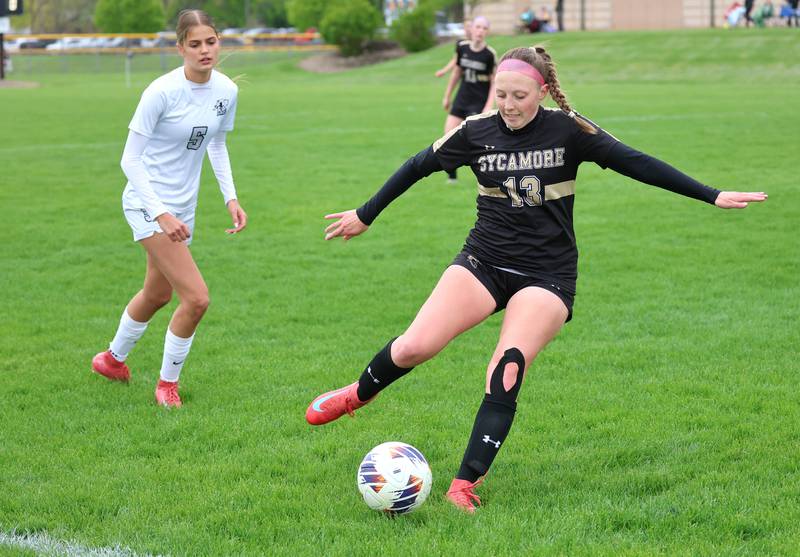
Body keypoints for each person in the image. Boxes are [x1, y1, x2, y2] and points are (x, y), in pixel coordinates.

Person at [305, 45, 767, 512]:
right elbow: (416, 166)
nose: (508, 104)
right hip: (483, 261)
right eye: (501, 94)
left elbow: (638, 162)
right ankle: (356, 395)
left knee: (506, 367)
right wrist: (366, 214)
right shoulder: (476, 131)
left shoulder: (570, 129)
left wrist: (712, 195)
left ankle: (463, 485)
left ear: (542, 91)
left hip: (547, 275)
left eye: (519, 95)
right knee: (413, 347)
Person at [91, 9, 246, 408]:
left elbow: (216, 144)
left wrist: (230, 196)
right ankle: (167, 385)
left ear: (219, 42)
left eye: (210, 41)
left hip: (182, 208)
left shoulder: (226, 91)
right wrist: (159, 212)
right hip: (147, 204)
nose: (204, 50)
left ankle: (111, 360)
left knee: (156, 294)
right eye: (194, 44)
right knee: (196, 298)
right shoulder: (160, 92)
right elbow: (130, 160)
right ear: (180, 48)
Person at [441, 15, 496, 183]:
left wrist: (488, 105)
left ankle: (487, 174)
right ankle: (452, 176)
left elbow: (494, 82)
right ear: (471, 29)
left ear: (487, 32)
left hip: (478, 100)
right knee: (448, 134)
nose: (480, 31)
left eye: (484, 28)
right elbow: (456, 73)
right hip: (462, 98)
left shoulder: (489, 54)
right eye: (477, 27)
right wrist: (447, 96)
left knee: (477, 140)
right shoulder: (462, 47)